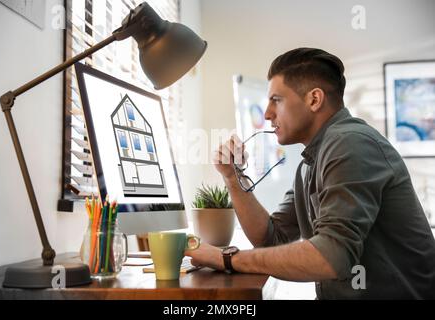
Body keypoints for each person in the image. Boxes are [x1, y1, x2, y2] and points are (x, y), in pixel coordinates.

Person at [185, 48, 435, 299]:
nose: (267, 114)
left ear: (314, 99)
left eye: (276, 100)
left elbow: (331, 256)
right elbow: (272, 239)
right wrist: (231, 177)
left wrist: (224, 258)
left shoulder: (350, 144)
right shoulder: (310, 163)